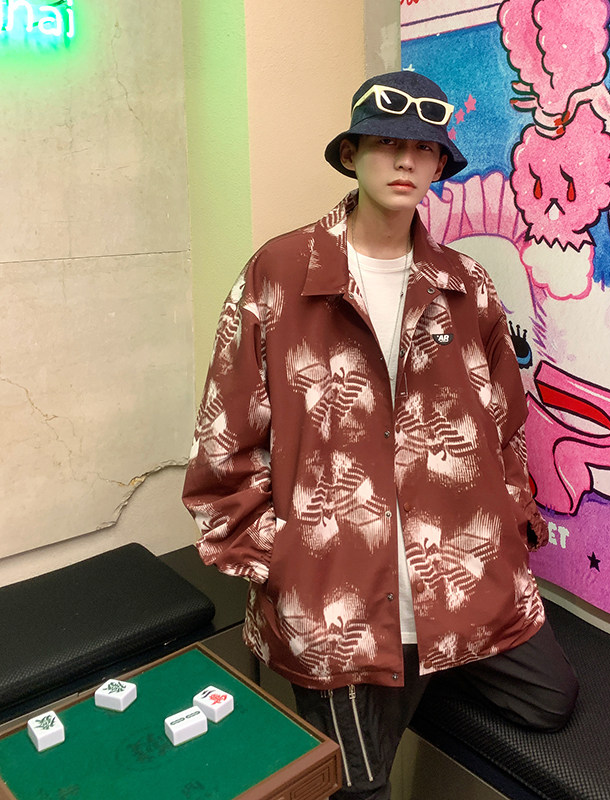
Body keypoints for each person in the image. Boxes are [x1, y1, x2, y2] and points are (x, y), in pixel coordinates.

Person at [182, 70, 578, 799]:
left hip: (458, 564)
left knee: (550, 701)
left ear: (439, 165)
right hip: (334, 587)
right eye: (387, 143)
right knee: (362, 786)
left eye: (424, 149)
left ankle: (418, 666)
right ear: (353, 154)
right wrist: (279, 558)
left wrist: (510, 519)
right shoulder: (280, 272)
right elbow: (224, 438)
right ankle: (381, 681)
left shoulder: (465, 283)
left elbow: (506, 424)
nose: (405, 160)